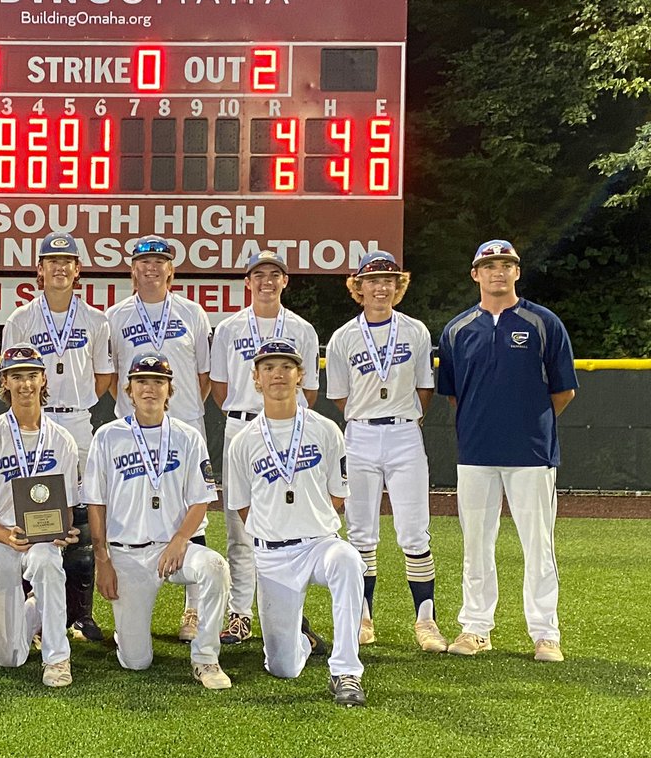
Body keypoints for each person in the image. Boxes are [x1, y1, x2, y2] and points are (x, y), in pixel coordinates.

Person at [438, 240, 577, 662]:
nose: (498, 271)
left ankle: (545, 633)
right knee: (476, 544)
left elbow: (564, 390)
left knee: (538, 545)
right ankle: (476, 627)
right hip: (477, 452)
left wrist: (527, 423)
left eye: (506, 264)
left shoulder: (543, 322)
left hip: (531, 453)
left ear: (517, 272)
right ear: (475, 274)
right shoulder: (457, 329)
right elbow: (454, 395)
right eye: (489, 265)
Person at [226, 339, 367, 707]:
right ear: (256, 378)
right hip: (273, 556)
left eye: (286, 367)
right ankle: (302, 639)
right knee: (283, 667)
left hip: (319, 543)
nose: (278, 374)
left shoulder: (325, 429)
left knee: (349, 560)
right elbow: (243, 508)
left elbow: (338, 495)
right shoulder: (242, 442)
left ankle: (346, 671)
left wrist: (308, 519)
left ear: (300, 375)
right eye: (268, 368)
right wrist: (276, 527)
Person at [84, 351, 232, 690]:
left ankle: (206, 658)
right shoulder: (107, 436)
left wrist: (181, 540)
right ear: (128, 390)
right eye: (142, 382)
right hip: (127, 553)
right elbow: (96, 503)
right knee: (137, 663)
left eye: (158, 382)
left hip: (173, 548)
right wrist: (102, 560)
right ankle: (127, 635)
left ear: (169, 390)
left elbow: (201, 499)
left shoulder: (187, 435)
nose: (149, 389)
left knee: (214, 567)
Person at [326, 252, 447, 652]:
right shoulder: (344, 336)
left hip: (403, 434)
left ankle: (425, 619)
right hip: (359, 434)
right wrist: (369, 417)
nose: (381, 287)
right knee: (361, 532)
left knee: (414, 530)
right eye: (373, 280)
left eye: (389, 280)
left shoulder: (414, 330)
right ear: (357, 287)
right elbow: (341, 397)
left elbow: (424, 388)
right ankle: (363, 616)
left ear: (399, 286)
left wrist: (400, 418)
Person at [2, 232, 114, 642]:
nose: (60, 268)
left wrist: (79, 401)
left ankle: (80, 614)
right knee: (34, 516)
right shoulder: (21, 319)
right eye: (52, 261)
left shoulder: (96, 320)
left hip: (79, 423)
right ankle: (34, 611)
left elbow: (104, 374)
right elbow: (12, 373)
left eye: (67, 261)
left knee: (81, 518)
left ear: (78, 270)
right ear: (40, 269)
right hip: (35, 423)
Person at [209, 249, 320, 646]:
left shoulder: (302, 328)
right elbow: (221, 387)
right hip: (242, 427)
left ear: (285, 281)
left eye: (274, 274)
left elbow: (309, 389)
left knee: (291, 525)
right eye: (259, 275)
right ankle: (240, 612)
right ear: (248, 282)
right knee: (240, 527)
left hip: (288, 428)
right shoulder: (228, 328)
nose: (267, 281)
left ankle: (292, 612)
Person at [106, 236, 211, 642]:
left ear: (172, 269)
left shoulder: (193, 313)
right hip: (131, 430)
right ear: (133, 268)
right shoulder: (115, 316)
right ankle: (130, 606)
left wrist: (173, 416)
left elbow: (202, 374)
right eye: (144, 261)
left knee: (191, 512)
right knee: (132, 516)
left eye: (160, 261)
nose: (151, 267)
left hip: (183, 425)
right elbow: (110, 371)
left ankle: (194, 611)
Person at [0, 344, 79, 687]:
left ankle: (57, 658)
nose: (25, 384)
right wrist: (7, 536)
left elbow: (66, 507)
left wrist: (64, 530)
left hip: (40, 540)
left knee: (47, 562)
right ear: (5, 382)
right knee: (8, 656)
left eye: (31, 375)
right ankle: (35, 607)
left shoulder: (63, 440)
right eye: (17, 376)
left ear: (43, 379)